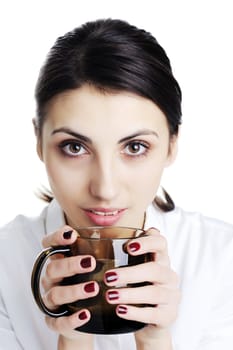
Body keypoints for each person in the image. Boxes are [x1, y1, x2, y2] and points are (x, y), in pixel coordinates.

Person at [0, 18, 233, 350]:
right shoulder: (4, 262)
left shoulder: (223, 260)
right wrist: (72, 337)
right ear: (39, 141)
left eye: (135, 147)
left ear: (171, 145)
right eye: (74, 147)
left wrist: (155, 340)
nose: (105, 189)